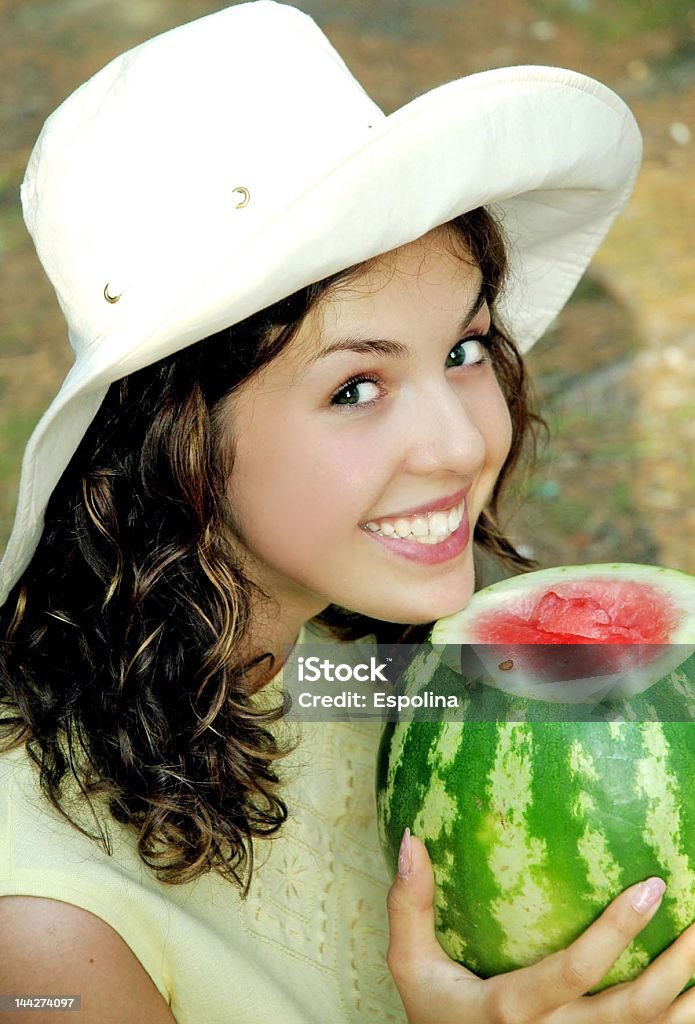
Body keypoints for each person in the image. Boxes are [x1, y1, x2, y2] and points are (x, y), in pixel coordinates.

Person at [1, 3, 694, 1022]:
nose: (463, 444)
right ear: (175, 444)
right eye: (354, 388)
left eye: (461, 349)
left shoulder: (344, 663)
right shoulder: (49, 937)